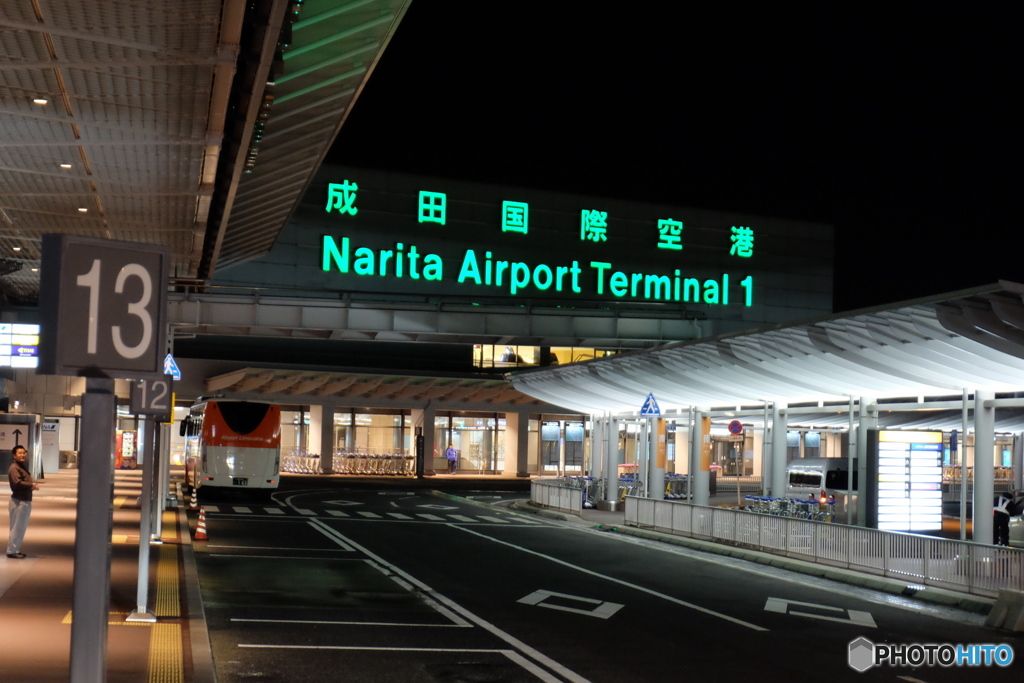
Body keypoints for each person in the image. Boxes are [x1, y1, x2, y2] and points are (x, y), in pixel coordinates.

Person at [7, 445, 40, 559]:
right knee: (17, 526)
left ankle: (15, 549)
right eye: (20, 453)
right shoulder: (14, 468)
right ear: (14, 455)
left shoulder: (21, 467)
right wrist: (31, 485)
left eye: (24, 453)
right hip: (19, 501)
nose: (22, 455)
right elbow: (17, 484)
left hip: (23, 500)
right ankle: (12, 550)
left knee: (20, 526)